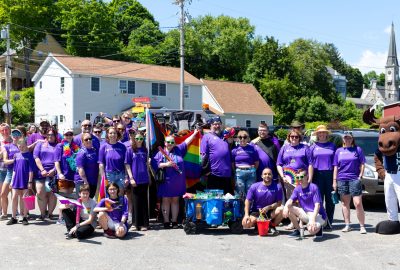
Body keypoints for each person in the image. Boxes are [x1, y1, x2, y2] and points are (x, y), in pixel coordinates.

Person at [154, 130, 199, 229]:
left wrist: (195, 133)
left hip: (178, 181)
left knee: (175, 200)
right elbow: (155, 165)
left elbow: (187, 141)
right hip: (166, 180)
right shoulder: (160, 152)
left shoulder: (179, 149)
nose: (170, 144)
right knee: (165, 200)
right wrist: (166, 164)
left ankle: (174, 221)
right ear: (165, 143)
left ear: (174, 143)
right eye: (168, 142)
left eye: (172, 142)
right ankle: (166, 222)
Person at [333, 131, 367, 234]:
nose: (347, 140)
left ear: (352, 139)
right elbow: (335, 167)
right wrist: (334, 181)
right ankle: (347, 225)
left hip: (354, 179)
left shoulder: (358, 150)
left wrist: (360, 175)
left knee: (357, 203)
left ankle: (362, 226)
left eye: (349, 138)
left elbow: (362, 163)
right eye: (346, 138)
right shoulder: (339, 151)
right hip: (342, 179)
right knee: (345, 203)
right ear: (343, 139)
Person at [283, 169, 327, 239]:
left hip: (318, 215)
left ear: (307, 176)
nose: (299, 179)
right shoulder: (297, 189)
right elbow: (290, 200)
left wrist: (312, 219)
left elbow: (317, 205)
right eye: (298, 177)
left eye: (301, 177)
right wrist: (285, 207)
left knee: (311, 230)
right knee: (289, 208)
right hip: (306, 214)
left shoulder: (313, 187)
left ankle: (319, 227)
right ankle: (299, 230)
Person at [242, 168, 284, 235]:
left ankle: (271, 226)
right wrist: (246, 215)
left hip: (270, 212)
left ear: (272, 176)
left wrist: (269, 207)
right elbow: (247, 200)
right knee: (246, 224)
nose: (267, 176)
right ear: (262, 176)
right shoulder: (254, 186)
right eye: (265, 174)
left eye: (269, 174)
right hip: (257, 212)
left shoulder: (277, 187)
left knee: (282, 209)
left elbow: (279, 203)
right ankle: (258, 226)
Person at [309, 125, 336, 229]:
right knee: (318, 200)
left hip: (329, 174)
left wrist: (335, 179)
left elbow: (335, 163)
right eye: (320, 133)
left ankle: (329, 222)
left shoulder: (332, 146)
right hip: (317, 174)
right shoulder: (312, 147)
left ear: (326, 134)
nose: (322, 134)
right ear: (317, 134)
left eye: (324, 132)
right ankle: (321, 221)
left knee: (330, 200)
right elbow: (310, 163)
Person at [5, 138, 35, 225]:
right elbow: (14, 170)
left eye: (23, 146)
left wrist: (30, 182)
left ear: (26, 145)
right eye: (19, 146)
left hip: (25, 179)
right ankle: (13, 217)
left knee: (25, 198)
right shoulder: (16, 155)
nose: (21, 148)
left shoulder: (29, 155)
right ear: (17, 146)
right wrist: (11, 182)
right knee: (14, 197)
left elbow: (31, 170)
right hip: (16, 180)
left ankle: (25, 217)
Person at [277, 129, 313, 200]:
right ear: (289, 137)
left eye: (296, 137)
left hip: (302, 177)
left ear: (299, 138)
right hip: (288, 178)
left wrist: (310, 178)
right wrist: (282, 176)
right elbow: (279, 164)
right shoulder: (284, 148)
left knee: (303, 198)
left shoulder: (305, 148)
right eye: (292, 136)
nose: (294, 138)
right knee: (290, 199)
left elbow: (310, 164)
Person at [125, 131, 150, 231]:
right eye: (137, 139)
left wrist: (149, 177)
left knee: (144, 202)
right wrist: (131, 178)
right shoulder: (130, 150)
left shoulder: (145, 150)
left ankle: (145, 224)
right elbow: (127, 165)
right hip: (135, 179)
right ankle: (135, 224)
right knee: (135, 201)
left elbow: (147, 165)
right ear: (134, 139)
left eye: (141, 139)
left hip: (144, 179)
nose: (139, 141)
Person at [200, 117, 232, 194]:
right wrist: (205, 171)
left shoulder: (225, 137)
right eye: (215, 124)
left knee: (226, 200)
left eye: (219, 124)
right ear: (211, 125)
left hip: (227, 174)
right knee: (214, 200)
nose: (217, 126)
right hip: (213, 174)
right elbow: (203, 154)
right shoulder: (207, 136)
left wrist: (230, 140)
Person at [33, 127, 59, 220]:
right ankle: (42, 214)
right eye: (48, 134)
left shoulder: (58, 145)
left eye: (52, 134)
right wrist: (42, 170)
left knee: (52, 194)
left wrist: (54, 170)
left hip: (54, 173)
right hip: (41, 172)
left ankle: (50, 213)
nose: (50, 136)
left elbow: (60, 160)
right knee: (40, 192)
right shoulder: (40, 144)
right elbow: (36, 157)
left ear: (55, 135)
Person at [1, 129, 22, 220]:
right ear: (11, 135)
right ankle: (4, 214)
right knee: (3, 194)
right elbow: (5, 161)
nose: (15, 135)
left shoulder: (23, 146)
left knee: (16, 195)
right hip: (10, 172)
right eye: (14, 133)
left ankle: (18, 214)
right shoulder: (6, 146)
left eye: (18, 134)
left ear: (20, 136)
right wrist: (15, 160)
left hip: (20, 172)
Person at [98, 127, 127, 195]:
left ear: (117, 134)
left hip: (121, 174)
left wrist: (126, 176)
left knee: (120, 195)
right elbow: (101, 164)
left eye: (114, 133)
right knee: (110, 196)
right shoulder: (103, 147)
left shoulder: (122, 146)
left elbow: (126, 163)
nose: (113, 135)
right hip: (109, 175)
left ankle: (120, 206)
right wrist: (103, 177)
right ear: (107, 134)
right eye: (110, 133)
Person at [231, 130, 259, 199]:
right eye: (240, 137)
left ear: (248, 138)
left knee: (250, 192)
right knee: (240, 192)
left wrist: (253, 170)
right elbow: (232, 163)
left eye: (245, 137)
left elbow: (257, 162)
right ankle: (241, 209)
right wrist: (236, 171)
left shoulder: (253, 149)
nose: (242, 139)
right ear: (238, 138)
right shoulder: (234, 150)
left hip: (251, 172)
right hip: (239, 173)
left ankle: (249, 209)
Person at [75, 132, 99, 198]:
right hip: (83, 182)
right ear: (83, 142)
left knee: (89, 202)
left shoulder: (94, 150)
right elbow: (80, 169)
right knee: (82, 203)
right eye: (86, 139)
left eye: (90, 139)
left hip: (93, 181)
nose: (89, 140)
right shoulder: (81, 153)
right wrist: (86, 182)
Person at [0, 123, 12, 219]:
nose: (4, 132)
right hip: (1, 169)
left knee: (14, 191)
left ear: (10, 130)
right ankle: (3, 212)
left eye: (6, 129)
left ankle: (16, 211)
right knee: (2, 193)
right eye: (2, 130)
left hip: (12, 170)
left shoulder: (14, 140)